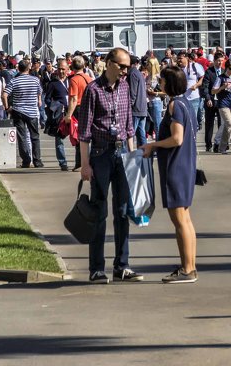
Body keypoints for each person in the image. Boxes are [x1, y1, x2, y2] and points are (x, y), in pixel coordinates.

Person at [79, 47, 145, 284]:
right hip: (100, 154)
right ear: (108, 64)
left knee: (122, 211)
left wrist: (132, 156)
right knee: (99, 211)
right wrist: (85, 165)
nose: (125, 71)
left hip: (121, 153)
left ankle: (122, 265)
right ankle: (97, 268)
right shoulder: (92, 90)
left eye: (128, 67)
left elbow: (129, 126)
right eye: (121, 66)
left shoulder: (125, 87)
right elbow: (84, 132)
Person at [140, 65, 198, 283]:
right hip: (185, 166)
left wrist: (152, 145)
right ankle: (189, 266)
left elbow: (177, 138)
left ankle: (187, 269)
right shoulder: (185, 103)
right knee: (186, 220)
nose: (159, 83)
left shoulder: (175, 105)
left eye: (162, 80)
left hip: (175, 166)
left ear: (169, 83)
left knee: (179, 220)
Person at [6, 60, 44, 168]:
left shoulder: (14, 81)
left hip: (18, 111)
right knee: (35, 137)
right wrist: (39, 100)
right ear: (28, 69)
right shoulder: (35, 80)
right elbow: (39, 91)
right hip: (32, 111)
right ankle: (37, 160)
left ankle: (26, 160)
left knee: (22, 137)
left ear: (19, 69)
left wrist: (7, 107)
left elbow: (4, 94)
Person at [44, 58, 71, 170]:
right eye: (59, 69)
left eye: (63, 69)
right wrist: (55, 106)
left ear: (68, 69)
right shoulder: (53, 83)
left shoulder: (71, 80)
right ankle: (63, 162)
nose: (61, 71)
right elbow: (47, 99)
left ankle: (80, 161)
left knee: (77, 136)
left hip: (72, 112)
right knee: (59, 138)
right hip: (60, 114)